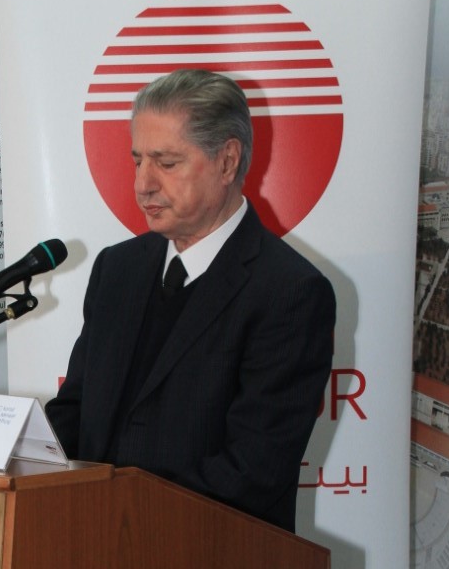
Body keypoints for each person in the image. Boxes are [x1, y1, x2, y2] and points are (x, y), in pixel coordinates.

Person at [45, 69, 336, 532]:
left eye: (166, 162)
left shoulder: (289, 291)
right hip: (92, 547)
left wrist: (123, 517)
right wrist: (17, 457)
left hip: (211, 558)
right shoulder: (116, 269)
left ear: (227, 162)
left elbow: (253, 470)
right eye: (138, 160)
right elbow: (76, 410)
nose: (143, 184)